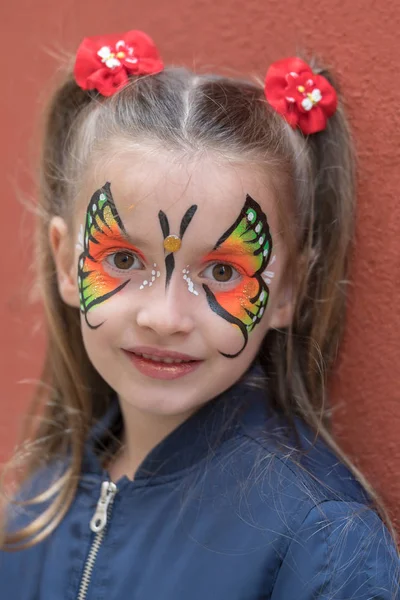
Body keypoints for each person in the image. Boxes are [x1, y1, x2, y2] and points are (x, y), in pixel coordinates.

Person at [0, 28, 399, 599]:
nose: (165, 317)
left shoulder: (322, 547)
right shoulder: (37, 510)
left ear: (287, 289)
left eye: (221, 272)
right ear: (66, 263)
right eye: (120, 258)